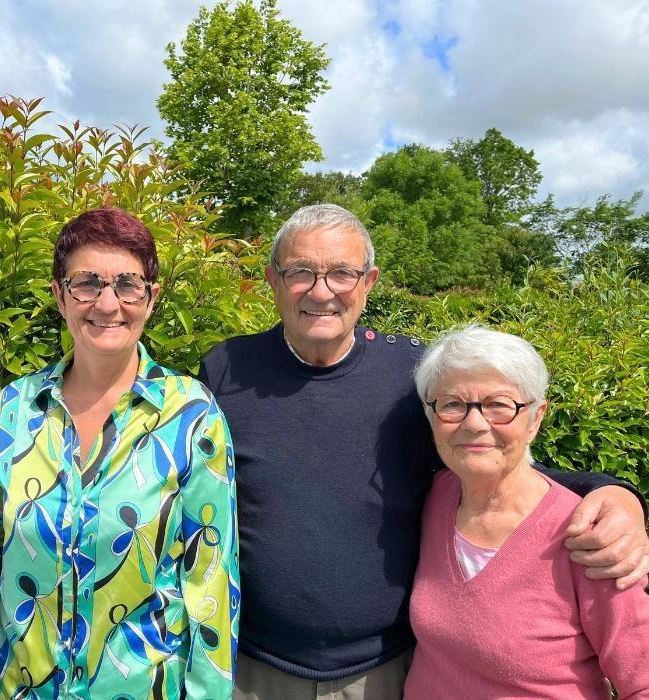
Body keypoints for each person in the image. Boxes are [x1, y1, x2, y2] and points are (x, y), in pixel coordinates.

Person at [197, 204, 649, 699]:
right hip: (254, 665)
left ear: (368, 281)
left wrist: (613, 491)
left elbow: (487, 450)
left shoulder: (409, 373)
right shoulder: (225, 369)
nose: (321, 291)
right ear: (273, 280)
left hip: (384, 670)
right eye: (300, 272)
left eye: (342, 273)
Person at [0, 208, 238, 700]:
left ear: (151, 296)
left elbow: (211, 578)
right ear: (60, 295)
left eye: (128, 284)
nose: (108, 303)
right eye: (86, 283)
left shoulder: (189, 414)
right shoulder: (14, 409)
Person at [405, 325, 649, 697]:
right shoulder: (435, 497)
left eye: (499, 405)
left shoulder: (591, 537)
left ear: (535, 418)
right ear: (431, 415)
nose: (474, 423)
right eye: (452, 404)